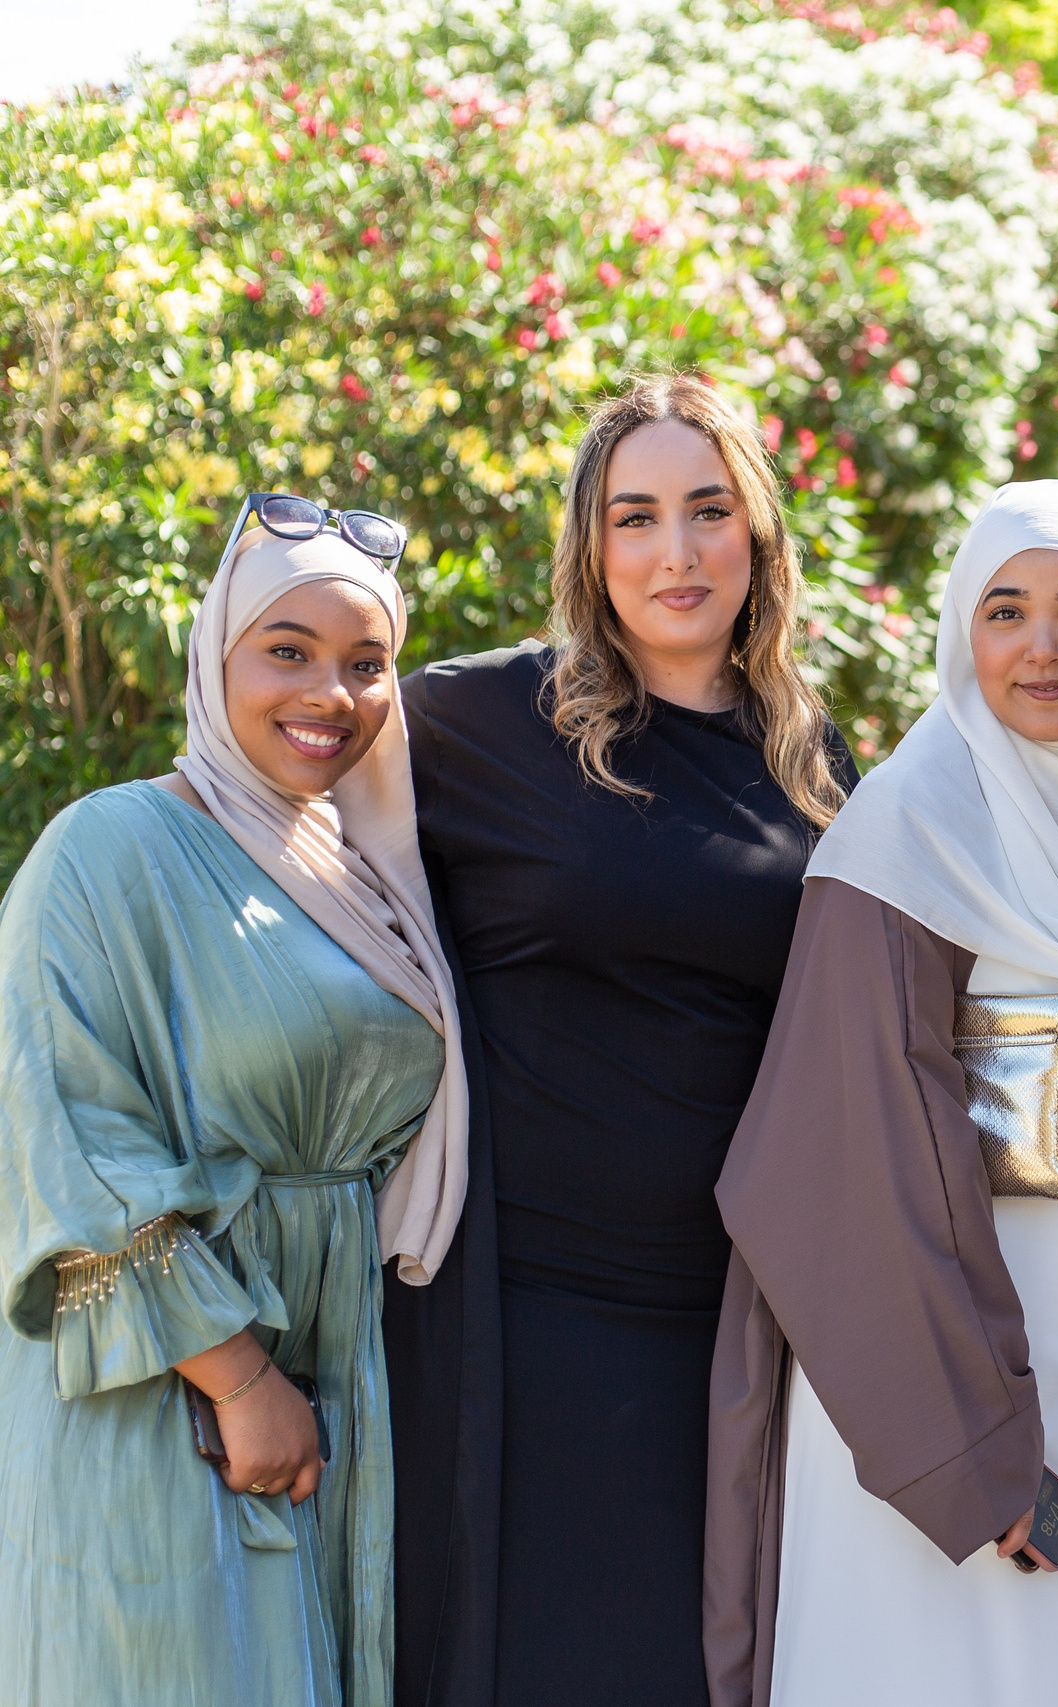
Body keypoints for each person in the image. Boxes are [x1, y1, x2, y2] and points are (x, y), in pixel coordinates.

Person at [383, 375, 851, 1707]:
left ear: (758, 532)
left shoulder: (815, 762)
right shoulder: (478, 722)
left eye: (710, 510)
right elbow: (272, 810)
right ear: (591, 546)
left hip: (731, 1326)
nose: (675, 552)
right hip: (520, 1314)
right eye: (635, 516)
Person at [701, 480, 1058, 1704]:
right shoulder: (907, 830)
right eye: (1005, 610)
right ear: (964, 629)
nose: (1043, 646)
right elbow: (843, 1160)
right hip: (944, 1387)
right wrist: (974, 1449)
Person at [0, 498, 464, 1706]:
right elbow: (70, 1143)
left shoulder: (360, 873)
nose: (331, 693)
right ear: (215, 654)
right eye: (288, 651)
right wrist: (242, 1382)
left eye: (367, 663)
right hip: (168, 1396)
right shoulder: (107, 850)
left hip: (337, 1381)